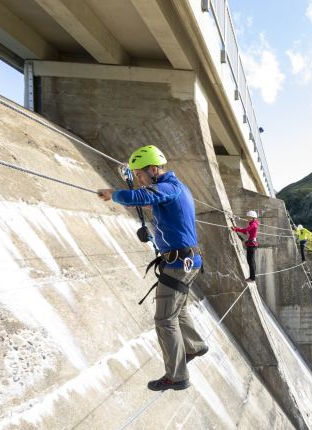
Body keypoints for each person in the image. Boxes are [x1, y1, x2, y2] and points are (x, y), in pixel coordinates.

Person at [97, 145, 208, 392]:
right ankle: (195, 346)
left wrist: (113, 194)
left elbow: (143, 196)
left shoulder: (169, 187)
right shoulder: (175, 189)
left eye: (140, 174)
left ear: (154, 169)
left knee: (164, 319)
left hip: (179, 264)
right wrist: (154, 236)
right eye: (136, 175)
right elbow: (160, 208)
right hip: (186, 261)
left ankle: (177, 376)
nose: (139, 179)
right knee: (177, 311)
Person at [232, 210, 259, 282]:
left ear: (253, 218)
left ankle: (252, 278)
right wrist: (237, 228)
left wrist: (236, 229)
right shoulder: (254, 223)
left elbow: (245, 231)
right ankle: (253, 277)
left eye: (250, 218)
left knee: (250, 261)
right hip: (252, 244)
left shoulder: (253, 225)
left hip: (251, 244)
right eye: (248, 217)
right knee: (252, 261)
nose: (248, 219)